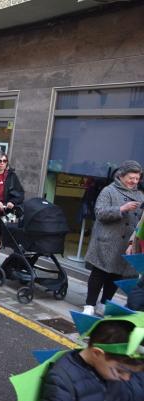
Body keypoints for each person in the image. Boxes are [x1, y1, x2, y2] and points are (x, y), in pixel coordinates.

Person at [83, 160, 144, 316]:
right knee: (99, 274)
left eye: (137, 178)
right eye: (131, 178)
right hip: (107, 241)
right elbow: (100, 213)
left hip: (126, 244)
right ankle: (89, 305)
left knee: (116, 275)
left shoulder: (139, 195)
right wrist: (121, 209)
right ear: (121, 176)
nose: (134, 181)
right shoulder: (108, 191)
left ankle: (104, 303)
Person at [39, 318, 144, 400]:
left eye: (132, 373)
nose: (126, 378)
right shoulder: (62, 383)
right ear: (97, 353)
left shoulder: (114, 370)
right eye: (120, 371)